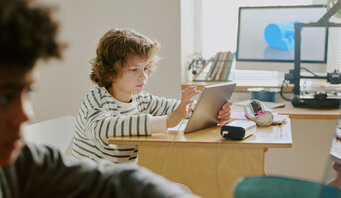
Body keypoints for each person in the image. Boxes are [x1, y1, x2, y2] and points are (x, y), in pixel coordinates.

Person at [0, 0, 274, 198]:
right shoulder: (97, 102)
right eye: (4, 97)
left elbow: (108, 179)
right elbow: (107, 129)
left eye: (29, 92)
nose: (26, 113)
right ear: (111, 72)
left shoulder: (15, 165)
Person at [72, 28, 232, 163]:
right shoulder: (96, 101)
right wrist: (168, 121)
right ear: (110, 73)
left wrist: (211, 112)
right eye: (134, 70)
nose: (143, 76)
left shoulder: (140, 99)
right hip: (90, 185)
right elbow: (102, 128)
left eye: (146, 68)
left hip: (120, 180)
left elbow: (176, 109)